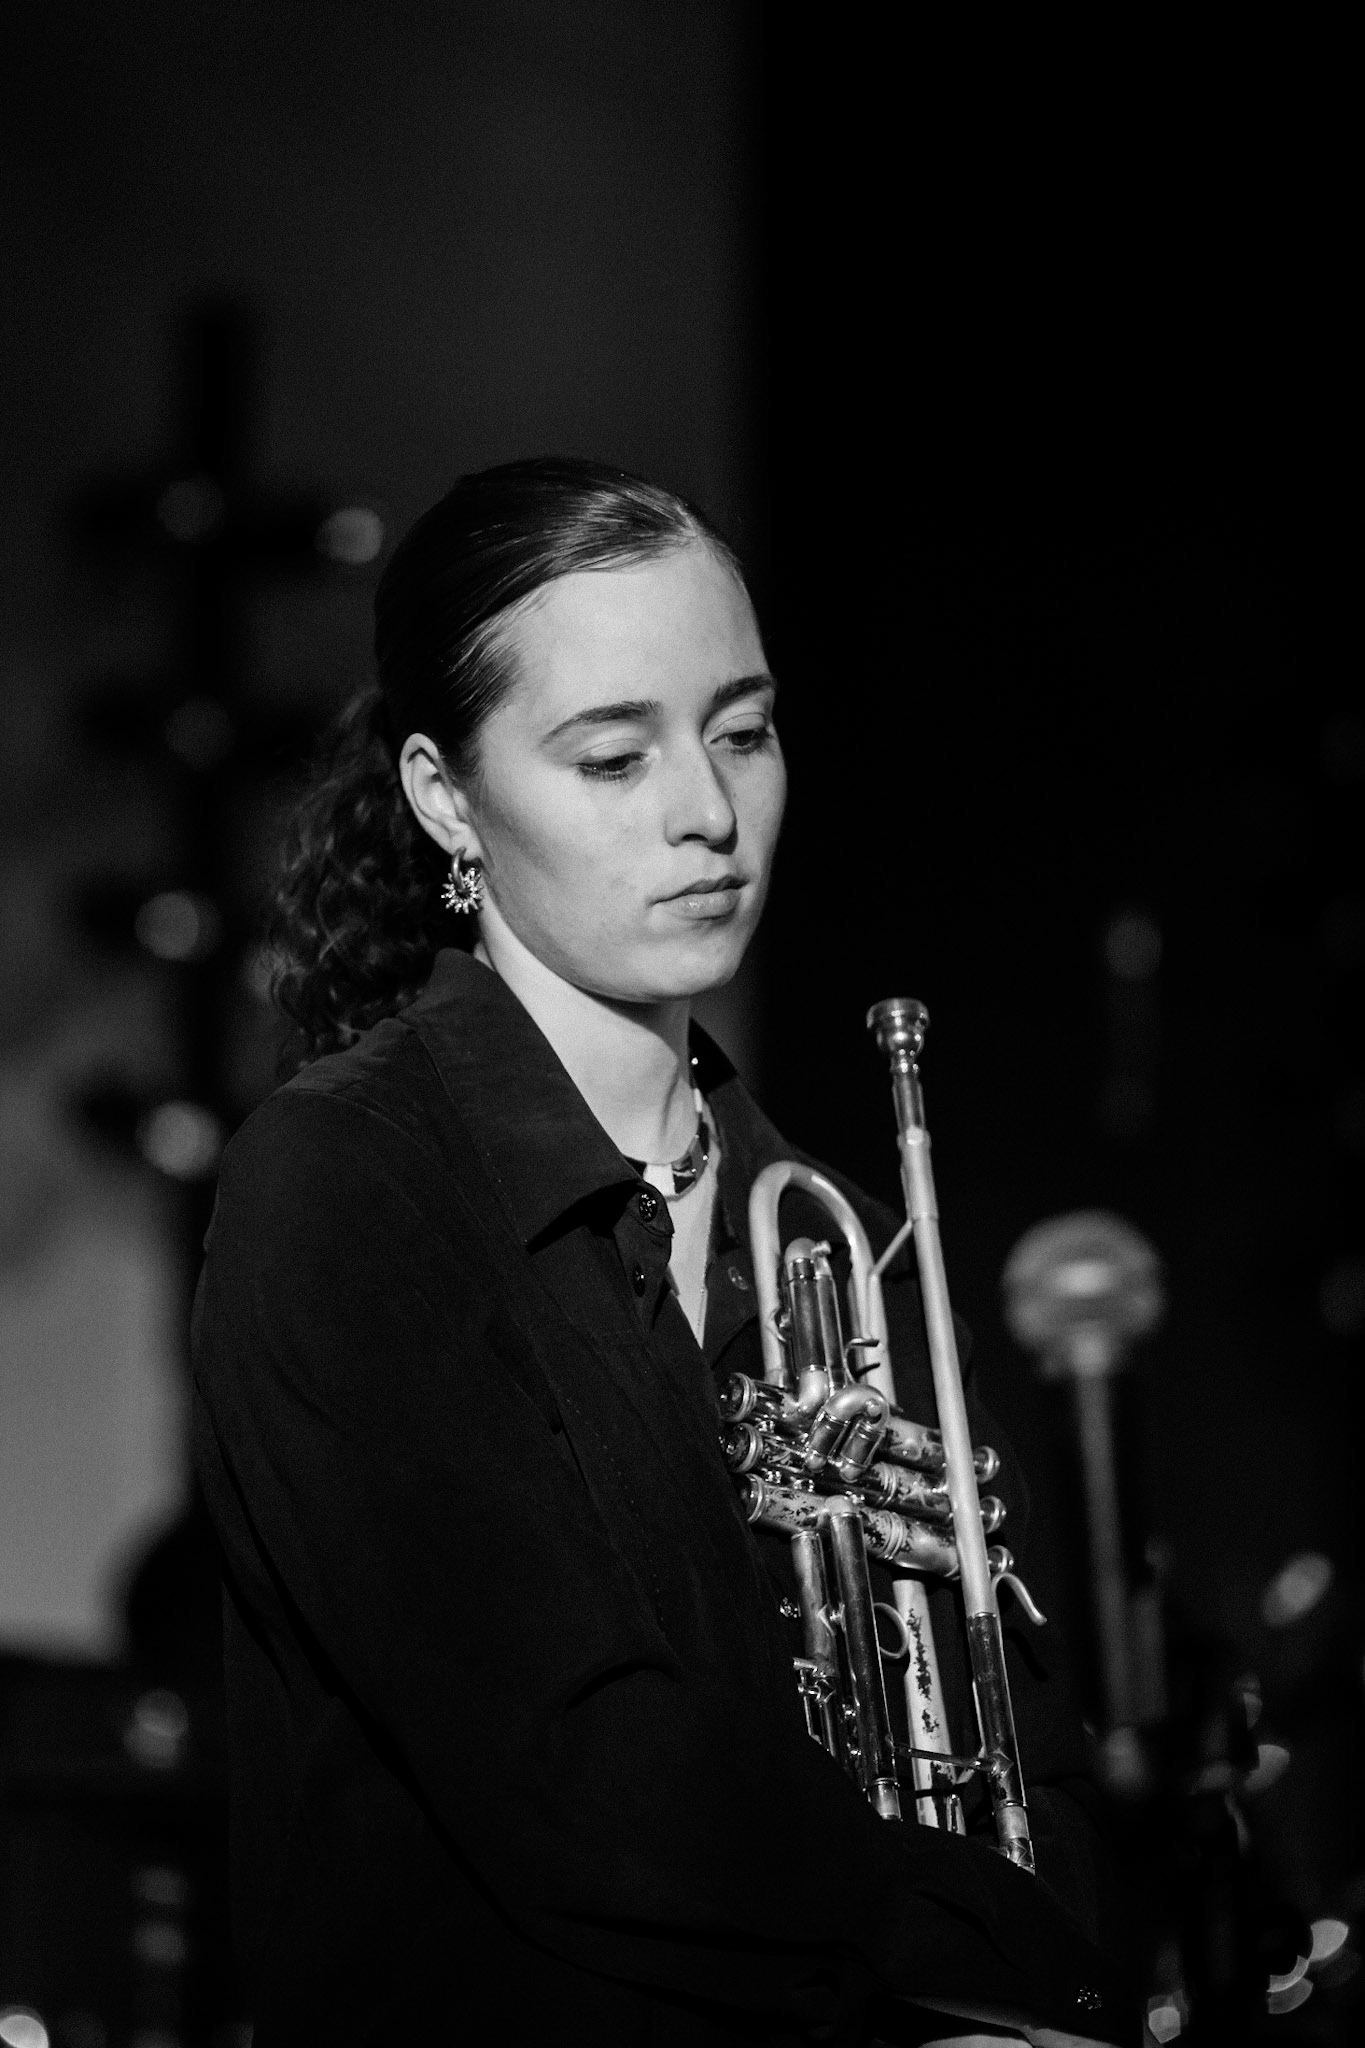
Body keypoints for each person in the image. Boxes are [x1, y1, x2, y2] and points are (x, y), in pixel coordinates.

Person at [191, 457, 1137, 2046]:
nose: (708, 812)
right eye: (612, 757)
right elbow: (569, 1767)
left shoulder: (830, 1230)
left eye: (743, 734)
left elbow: (1002, 1722)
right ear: (444, 798)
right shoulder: (345, 1180)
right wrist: (974, 1940)